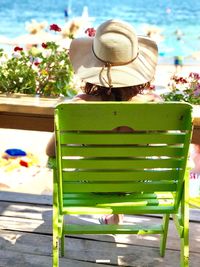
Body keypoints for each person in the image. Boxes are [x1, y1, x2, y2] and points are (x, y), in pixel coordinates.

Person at [46, 19, 162, 224]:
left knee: (102, 167)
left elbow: (51, 152)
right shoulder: (155, 106)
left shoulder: (76, 106)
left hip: (91, 184)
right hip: (135, 184)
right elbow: (167, 146)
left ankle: (112, 212)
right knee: (126, 166)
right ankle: (116, 212)